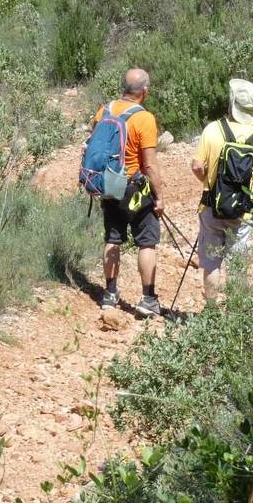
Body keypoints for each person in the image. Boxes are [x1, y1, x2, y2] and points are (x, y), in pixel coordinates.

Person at [190, 78, 253, 304]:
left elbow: (197, 165)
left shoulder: (213, 130)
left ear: (232, 103)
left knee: (211, 262)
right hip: (243, 212)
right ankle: (237, 311)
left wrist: (208, 182)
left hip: (211, 207)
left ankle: (211, 310)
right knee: (238, 263)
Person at [92, 68, 165, 317]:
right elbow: (150, 165)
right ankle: (148, 299)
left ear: (123, 87)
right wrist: (159, 196)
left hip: (109, 184)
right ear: (144, 92)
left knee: (113, 238)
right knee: (147, 241)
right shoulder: (144, 119)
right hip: (135, 187)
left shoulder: (104, 111)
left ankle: (110, 294)